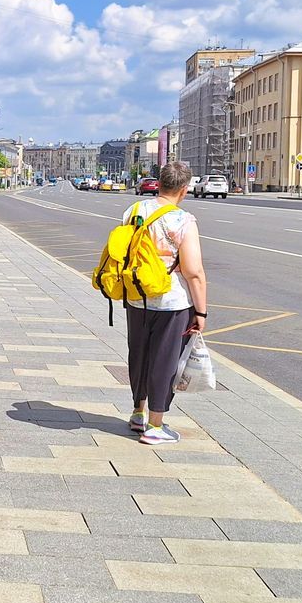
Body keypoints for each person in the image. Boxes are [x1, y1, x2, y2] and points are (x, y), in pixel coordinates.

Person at [119, 160, 208, 444]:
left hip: (136, 297)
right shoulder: (182, 219)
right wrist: (201, 311)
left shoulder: (133, 211)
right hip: (171, 301)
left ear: (159, 183)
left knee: (139, 354)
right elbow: (193, 271)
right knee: (165, 361)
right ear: (184, 189)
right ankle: (156, 427)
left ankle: (137, 413)